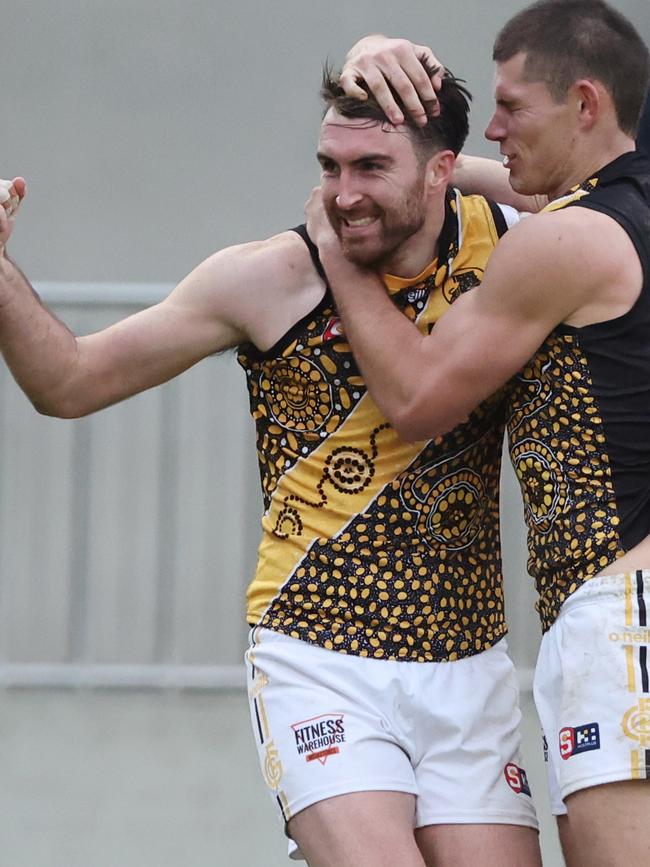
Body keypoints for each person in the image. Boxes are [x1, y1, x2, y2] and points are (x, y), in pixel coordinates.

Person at [0, 65, 542, 867]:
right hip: (320, 658)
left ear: (440, 171)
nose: (342, 194)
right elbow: (70, 382)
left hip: (470, 667)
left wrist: (393, 61)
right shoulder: (268, 277)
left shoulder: (512, 246)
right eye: (328, 166)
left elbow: (608, 190)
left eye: (370, 168)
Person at [304, 2, 650, 865]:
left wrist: (340, 259)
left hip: (619, 616)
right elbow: (518, 182)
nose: (497, 129)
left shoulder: (567, 241)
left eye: (513, 108)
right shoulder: (618, 210)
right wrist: (390, 81)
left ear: (585, 104)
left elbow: (420, 398)